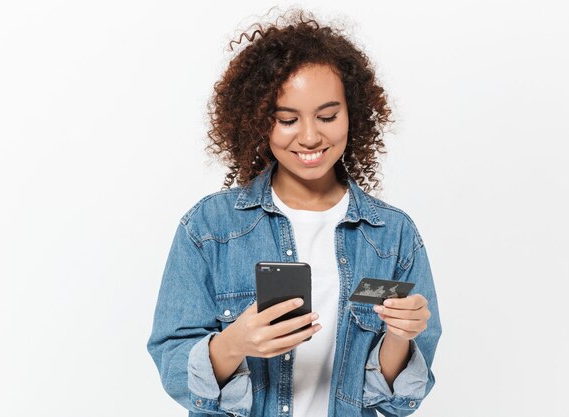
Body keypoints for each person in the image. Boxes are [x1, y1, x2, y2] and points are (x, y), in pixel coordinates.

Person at [147, 9, 441, 417]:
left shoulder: (392, 235)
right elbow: (173, 367)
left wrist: (399, 336)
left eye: (327, 116)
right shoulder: (210, 228)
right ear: (257, 122)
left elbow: (395, 403)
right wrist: (234, 344)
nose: (309, 136)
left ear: (352, 115)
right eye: (287, 119)